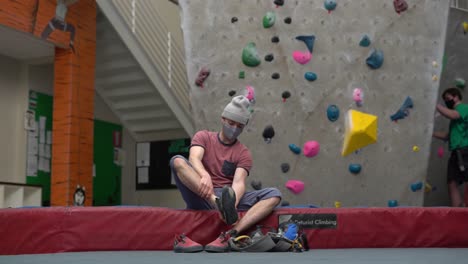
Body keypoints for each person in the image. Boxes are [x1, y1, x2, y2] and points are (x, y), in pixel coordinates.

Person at [170, 95, 282, 253]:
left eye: (239, 126)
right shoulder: (203, 136)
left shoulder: (243, 152)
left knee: (274, 194)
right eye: (231, 123)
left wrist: (232, 203)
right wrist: (204, 175)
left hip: (228, 196)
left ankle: (232, 232)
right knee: (177, 161)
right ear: (223, 119)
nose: (234, 128)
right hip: (201, 192)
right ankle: (218, 204)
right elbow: (194, 158)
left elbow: (239, 183)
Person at [433, 87, 468, 207]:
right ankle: (458, 210)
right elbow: (447, 136)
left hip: (464, 150)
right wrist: (430, 133)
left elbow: (452, 115)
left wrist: (435, 104)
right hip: (456, 152)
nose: (447, 102)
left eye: (448, 98)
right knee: (451, 182)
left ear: (456, 97)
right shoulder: (455, 120)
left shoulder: (463, 108)